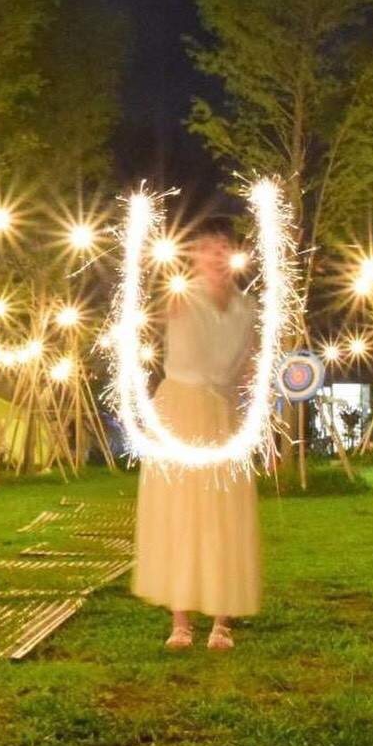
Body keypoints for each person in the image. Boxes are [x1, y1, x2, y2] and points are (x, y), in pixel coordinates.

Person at [132, 216, 261, 651]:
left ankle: (222, 622)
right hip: (180, 412)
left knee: (225, 515)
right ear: (194, 255)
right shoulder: (181, 296)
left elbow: (249, 363)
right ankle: (181, 622)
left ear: (235, 253)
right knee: (181, 512)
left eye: (223, 246)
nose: (216, 255)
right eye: (207, 247)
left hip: (223, 414)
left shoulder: (248, 308)